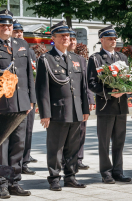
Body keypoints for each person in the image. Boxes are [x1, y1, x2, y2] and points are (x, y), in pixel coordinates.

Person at [0, 10, 36, 198]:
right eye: (2, 24)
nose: (6, 27)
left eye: (9, 25)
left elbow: (28, 76)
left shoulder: (22, 44)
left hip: (21, 104)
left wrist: (31, 99)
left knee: (18, 144)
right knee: (1, 147)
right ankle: (0, 184)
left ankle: (14, 182)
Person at [36, 21, 89, 191]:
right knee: (56, 147)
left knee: (73, 146)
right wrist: (45, 113)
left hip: (75, 110)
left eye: (68, 35)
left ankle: (70, 176)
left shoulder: (77, 59)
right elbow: (42, 89)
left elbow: (83, 87)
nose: (66, 38)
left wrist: (85, 109)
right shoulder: (47, 59)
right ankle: (54, 178)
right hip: (57, 111)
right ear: (53, 38)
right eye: (62, 36)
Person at [87, 25, 131, 184]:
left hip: (121, 106)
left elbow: (129, 78)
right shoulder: (96, 58)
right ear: (102, 40)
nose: (113, 41)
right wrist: (109, 92)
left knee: (119, 141)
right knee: (104, 142)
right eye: (110, 39)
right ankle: (106, 172)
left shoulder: (122, 58)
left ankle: (118, 171)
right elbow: (91, 83)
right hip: (106, 106)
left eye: (114, 38)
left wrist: (127, 89)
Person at [11, 20, 38, 175]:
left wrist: (34, 99)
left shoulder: (29, 50)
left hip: (28, 97)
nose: (19, 34)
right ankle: (15, 162)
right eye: (16, 31)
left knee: (27, 131)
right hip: (14, 98)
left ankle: (25, 161)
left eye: (20, 31)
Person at [67, 30, 95, 170]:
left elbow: (86, 83)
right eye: (70, 39)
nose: (72, 42)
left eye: (74, 39)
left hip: (80, 102)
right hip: (65, 103)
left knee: (81, 132)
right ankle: (64, 160)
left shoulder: (81, 60)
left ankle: (78, 158)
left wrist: (90, 99)